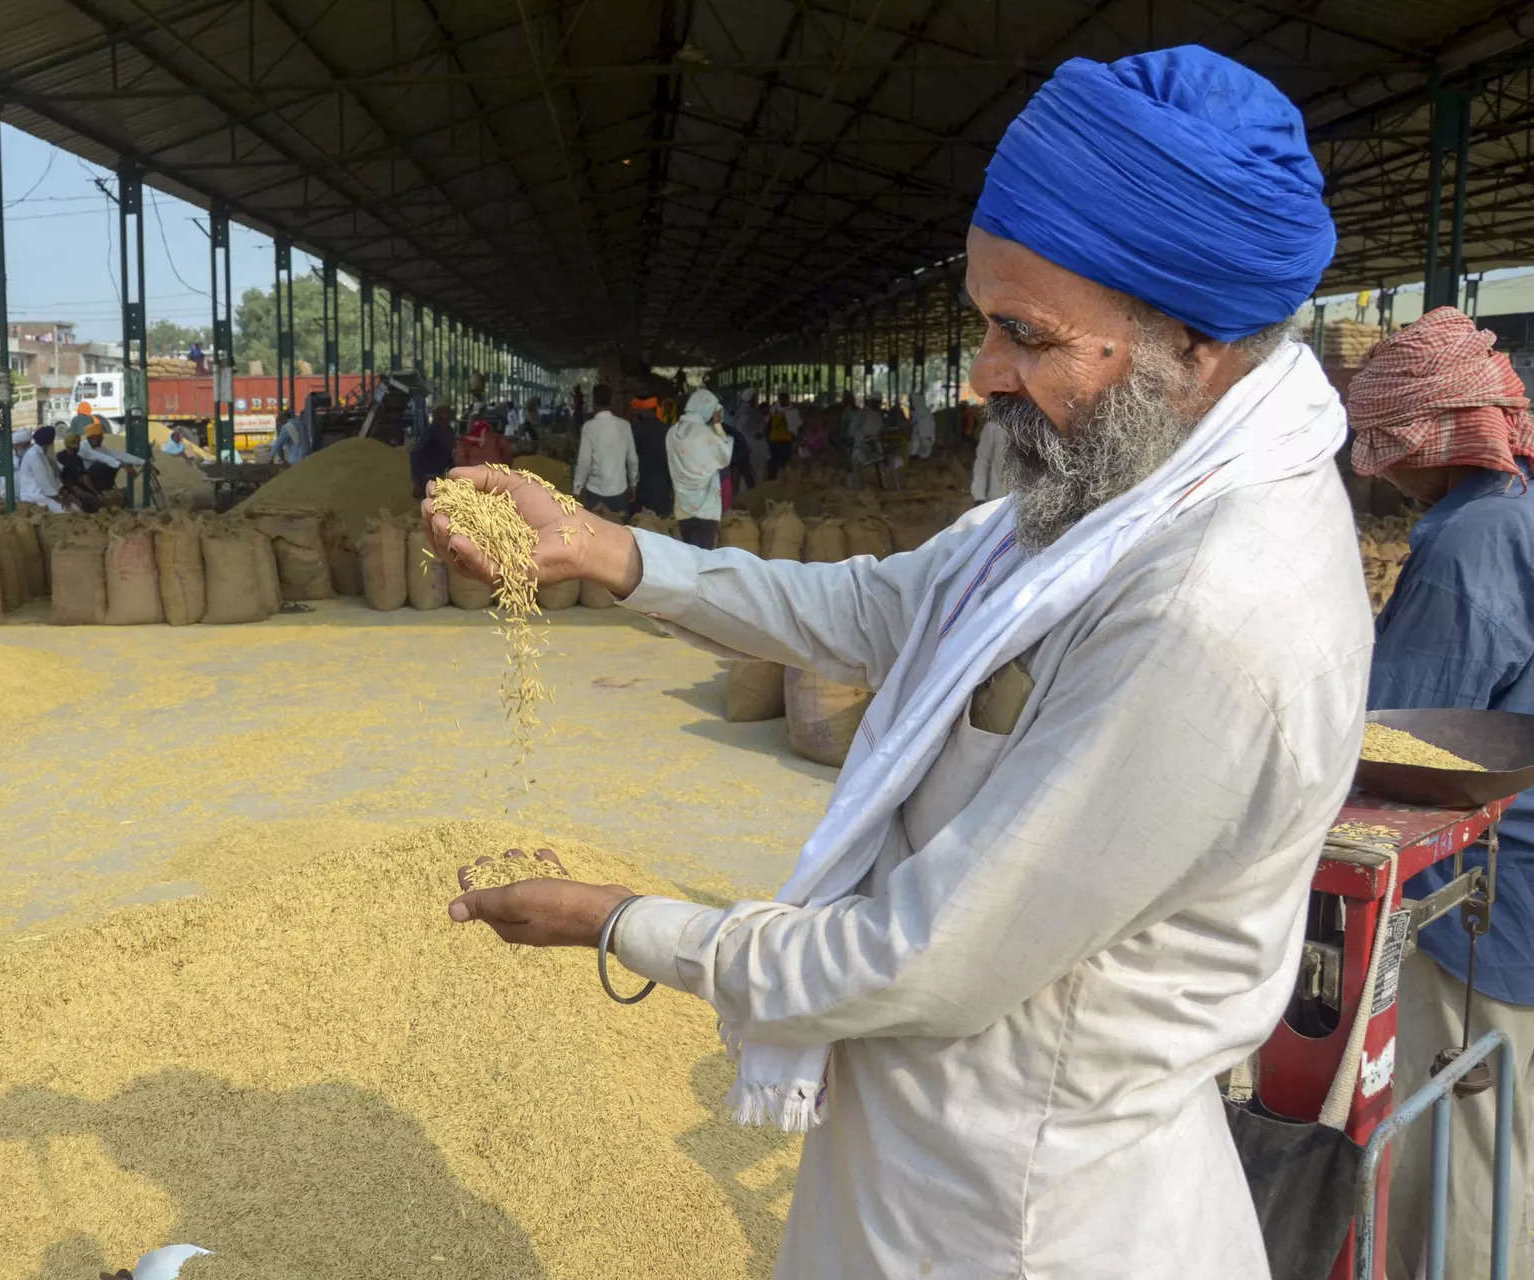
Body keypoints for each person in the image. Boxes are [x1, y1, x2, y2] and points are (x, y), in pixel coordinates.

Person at [429, 45, 1363, 1279]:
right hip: (923, 1159)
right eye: (986, 323)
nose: (983, 376)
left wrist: (620, 923)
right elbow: (878, 611)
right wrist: (611, 551)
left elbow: (918, 957)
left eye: (1024, 336)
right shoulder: (1109, 496)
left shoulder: (1210, 605)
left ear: (1192, 341)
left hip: (1027, 1213)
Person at [1346, 307, 1534, 1280]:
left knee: (1457, 1138)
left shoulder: (1470, 543)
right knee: (1508, 1127)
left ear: (1430, 438)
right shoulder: (1519, 507)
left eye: (1390, 446)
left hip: (1484, 899)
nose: (1383, 468)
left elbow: (1405, 735)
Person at [666, 388, 735, 548]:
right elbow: (725, 455)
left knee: (689, 553)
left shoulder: (672, 432)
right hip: (706, 508)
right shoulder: (706, 434)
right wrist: (717, 426)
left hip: (682, 507)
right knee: (703, 558)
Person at [571, 383, 637, 516]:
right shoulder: (625, 426)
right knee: (619, 531)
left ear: (594, 402)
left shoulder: (589, 427)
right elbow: (632, 459)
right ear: (611, 401)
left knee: (596, 534)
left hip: (595, 493)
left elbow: (584, 462)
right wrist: (633, 483)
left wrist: (577, 488)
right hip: (619, 491)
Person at [629, 392, 674, 519]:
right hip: (662, 488)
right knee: (661, 527)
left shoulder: (634, 430)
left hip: (641, 489)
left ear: (642, 411)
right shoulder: (668, 430)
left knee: (640, 527)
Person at [15, 425, 69, 512]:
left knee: (73, 507)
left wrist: (62, 492)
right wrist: (58, 498)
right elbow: (43, 481)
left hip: (45, 495)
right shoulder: (34, 455)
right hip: (34, 497)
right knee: (67, 510)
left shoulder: (41, 453)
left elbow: (51, 476)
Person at [410, 404, 456, 501]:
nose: (446, 419)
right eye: (443, 416)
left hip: (440, 473)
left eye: (448, 416)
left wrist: (454, 470)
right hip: (426, 475)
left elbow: (448, 454)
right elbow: (416, 454)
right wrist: (416, 481)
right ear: (437, 417)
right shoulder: (430, 431)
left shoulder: (449, 431)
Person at [971, 413, 1013, 503]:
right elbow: (982, 461)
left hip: (1027, 502)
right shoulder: (994, 427)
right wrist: (979, 496)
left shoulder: (1036, 427)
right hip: (997, 499)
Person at [766, 398, 794, 478]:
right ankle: (775, 478)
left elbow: (795, 429)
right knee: (776, 461)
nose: (784, 402)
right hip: (777, 441)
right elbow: (768, 426)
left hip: (784, 441)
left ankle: (779, 478)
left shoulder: (791, 412)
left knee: (782, 462)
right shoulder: (773, 413)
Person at [908, 390, 936, 459]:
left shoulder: (919, 412)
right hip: (927, 441)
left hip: (923, 442)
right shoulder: (926, 411)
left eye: (912, 402)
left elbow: (912, 423)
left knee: (915, 445)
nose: (911, 403)